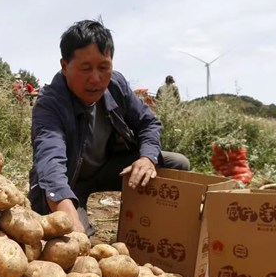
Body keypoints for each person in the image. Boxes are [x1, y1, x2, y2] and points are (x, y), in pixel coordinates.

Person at [28, 19, 190, 235]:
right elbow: (50, 161)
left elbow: (148, 123)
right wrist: (68, 216)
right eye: (85, 68)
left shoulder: (116, 85)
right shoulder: (50, 104)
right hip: (70, 183)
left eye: (104, 68)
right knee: (73, 238)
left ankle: (147, 232)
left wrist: (147, 159)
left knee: (176, 164)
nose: (95, 78)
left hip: (109, 169)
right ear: (65, 66)